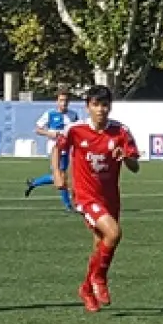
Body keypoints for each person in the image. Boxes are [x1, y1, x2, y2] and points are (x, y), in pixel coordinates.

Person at [52, 84, 140, 312]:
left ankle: (86, 288)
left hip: (110, 196)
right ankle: (99, 279)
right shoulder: (76, 130)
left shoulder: (121, 131)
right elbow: (57, 149)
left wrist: (125, 158)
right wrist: (57, 174)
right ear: (88, 106)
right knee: (114, 233)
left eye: (105, 105)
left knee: (102, 243)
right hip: (85, 196)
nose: (101, 109)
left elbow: (135, 166)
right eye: (96, 105)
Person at [24, 90, 79, 211]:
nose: (64, 103)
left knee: (59, 176)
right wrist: (50, 133)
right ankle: (68, 206)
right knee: (61, 175)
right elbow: (38, 129)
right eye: (61, 100)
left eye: (66, 101)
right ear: (57, 101)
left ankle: (34, 183)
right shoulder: (50, 114)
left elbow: (77, 132)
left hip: (66, 148)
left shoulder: (73, 115)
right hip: (54, 148)